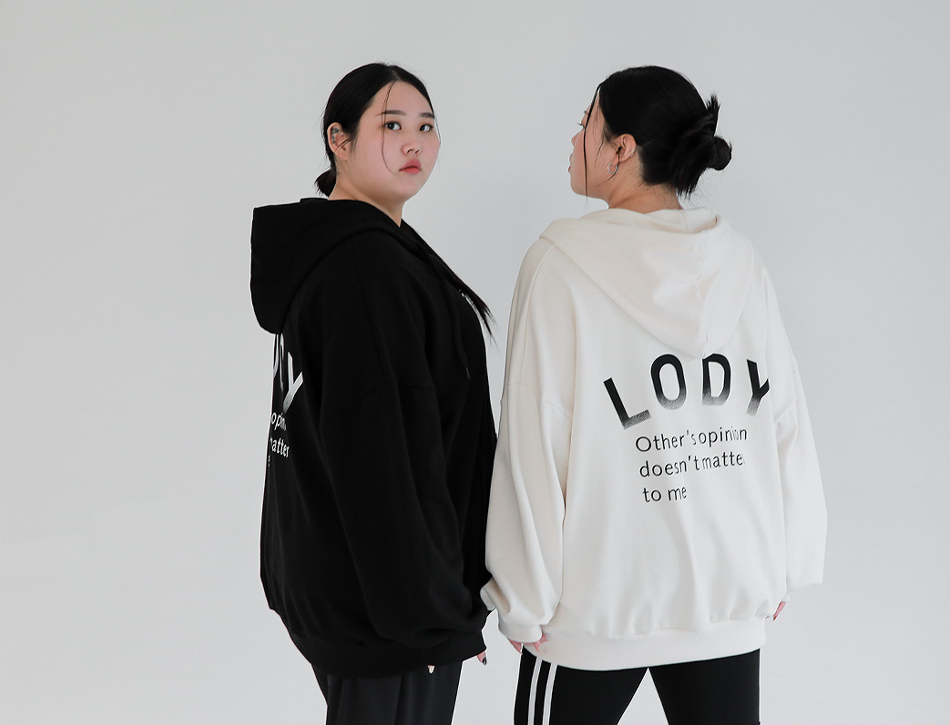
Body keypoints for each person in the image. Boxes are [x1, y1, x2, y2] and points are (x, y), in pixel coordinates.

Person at [481, 66, 827, 725]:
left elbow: (534, 437)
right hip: (723, 602)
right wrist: (787, 559)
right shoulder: (739, 260)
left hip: (592, 614)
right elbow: (784, 417)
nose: (574, 138)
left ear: (621, 148)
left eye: (586, 124)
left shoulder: (559, 264)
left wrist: (523, 597)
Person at [249, 63, 496, 725]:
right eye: (391, 125)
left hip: (356, 593)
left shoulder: (354, 251)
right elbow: (382, 459)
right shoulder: (364, 266)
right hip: (390, 613)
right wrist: (434, 615)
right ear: (340, 140)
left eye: (427, 127)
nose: (415, 142)